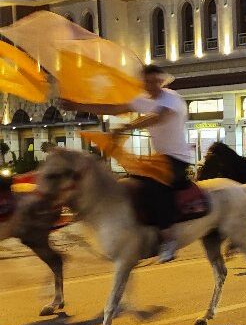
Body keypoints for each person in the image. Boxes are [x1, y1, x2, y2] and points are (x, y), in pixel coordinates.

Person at [60, 64, 192, 262]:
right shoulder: (143, 100)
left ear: (161, 81)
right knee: (132, 184)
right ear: (143, 83)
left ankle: (169, 240)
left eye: (156, 81)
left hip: (178, 158)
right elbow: (113, 108)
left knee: (155, 186)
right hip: (159, 158)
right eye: (147, 81)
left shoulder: (172, 99)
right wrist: (77, 105)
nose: (152, 85)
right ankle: (139, 230)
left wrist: (126, 126)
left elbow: (159, 117)